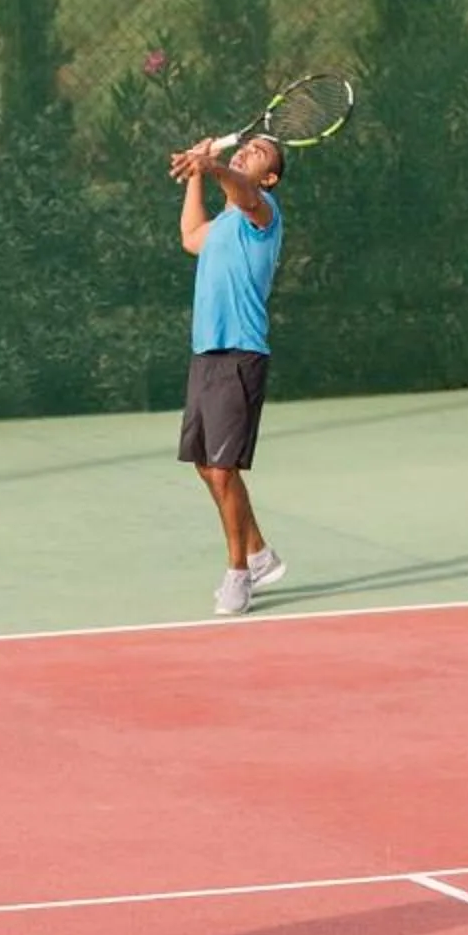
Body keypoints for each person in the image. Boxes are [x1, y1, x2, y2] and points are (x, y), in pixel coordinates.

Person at [171, 130, 289, 615]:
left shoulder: (262, 214)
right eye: (247, 146)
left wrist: (214, 167)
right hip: (207, 351)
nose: (247, 152)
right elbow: (189, 238)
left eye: (258, 153)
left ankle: (238, 572)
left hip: (241, 353)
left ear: (271, 177)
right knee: (207, 465)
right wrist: (194, 176)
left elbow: (242, 190)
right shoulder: (222, 226)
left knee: (222, 469)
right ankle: (260, 554)